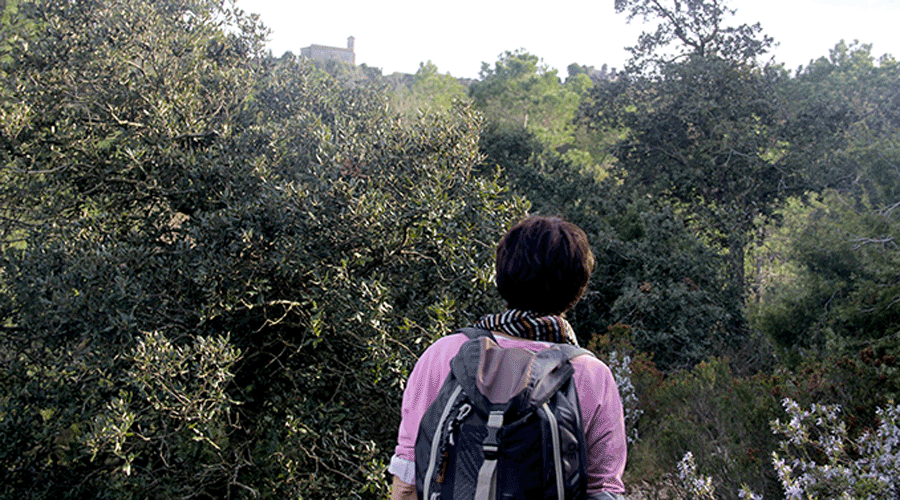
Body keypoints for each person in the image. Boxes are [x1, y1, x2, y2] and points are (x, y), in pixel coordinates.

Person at [389, 215, 627, 500]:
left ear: (501, 276)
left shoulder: (445, 354)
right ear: (578, 288)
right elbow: (603, 490)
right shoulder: (590, 375)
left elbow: (407, 478)